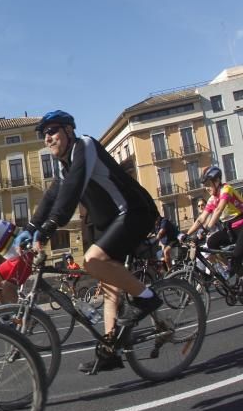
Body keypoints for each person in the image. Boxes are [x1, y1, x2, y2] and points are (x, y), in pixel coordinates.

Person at [28, 110, 160, 373]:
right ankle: (112, 353)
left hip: (133, 211)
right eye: (44, 135)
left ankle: (147, 298)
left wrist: (49, 228)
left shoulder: (84, 146)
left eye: (52, 131)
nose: (48, 139)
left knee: (92, 260)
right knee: (110, 289)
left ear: (68, 131)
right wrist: (31, 227)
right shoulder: (65, 165)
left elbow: (71, 191)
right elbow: (54, 195)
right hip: (111, 222)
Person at [181, 166, 243, 275]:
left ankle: (236, 272)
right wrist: (186, 235)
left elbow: (218, 210)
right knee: (211, 242)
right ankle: (228, 269)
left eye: (208, 185)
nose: (207, 188)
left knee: (236, 257)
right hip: (231, 229)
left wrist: (205, 229)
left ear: (217, 181)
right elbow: (201, 219)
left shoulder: (226, 189)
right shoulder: (212, 199)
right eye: (205, 186)